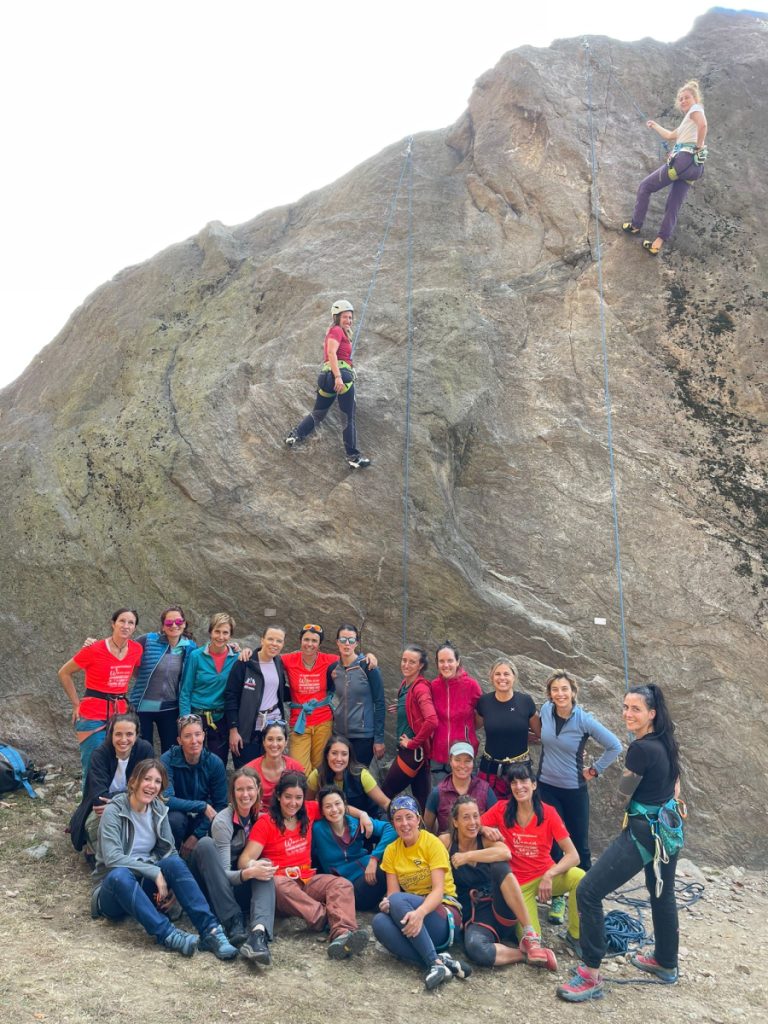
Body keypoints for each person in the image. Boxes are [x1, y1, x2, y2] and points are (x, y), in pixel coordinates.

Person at [557, 684, 682, 1002]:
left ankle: (590, 975)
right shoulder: (666, 742)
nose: (628, 713)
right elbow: (675, 786)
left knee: (588, 891)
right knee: (661, 894)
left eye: (635, 709)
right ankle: (666, 963)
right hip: (668, 829)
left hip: (643, 834)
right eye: (625, 707)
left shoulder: (640, 750)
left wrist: (620, 790)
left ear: (651, 714)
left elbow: (620, 799)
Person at [91, 757, 238, 960]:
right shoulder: (115, 811)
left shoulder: (158, 810)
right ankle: (169, 935)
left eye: (157, 782)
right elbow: (112, 858)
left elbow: (169, 853)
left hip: (145, 885)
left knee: (174, 862)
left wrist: (175, 889)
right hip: (114, 891)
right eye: (147, 779)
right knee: (120, 875)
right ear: (133, 782)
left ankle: (211, 931)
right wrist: (155, 872)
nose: (152, 786)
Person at [238, 770, 371, 959]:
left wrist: (363, 814)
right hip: (282, 887)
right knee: (277, 884)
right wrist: (255, 865)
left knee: (341, 884)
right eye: (288, 797)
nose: (293, 803)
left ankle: (343, 934)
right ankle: (325, 919)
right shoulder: (266, 823)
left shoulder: (308, 810)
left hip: (307, 879)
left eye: (298, 797)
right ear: (278, 796)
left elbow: (337, 807)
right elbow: (244, 860)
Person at [439, 794, 557, 970]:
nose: (472, 822)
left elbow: (505, 853)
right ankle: (525, 955)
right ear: (455, 822)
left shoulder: (486, 839)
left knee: (500, 867)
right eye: (466, 817)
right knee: (476, 949)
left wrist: (467, 856)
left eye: (476, 816)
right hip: (476, 918)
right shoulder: (446, 842)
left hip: (501, 909)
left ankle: (530, 935)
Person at [481, 763, 584, 959]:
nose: (519, 787)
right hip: (520, 887)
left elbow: (573, 855)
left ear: (534, 785)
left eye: (523, 781)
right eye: (514, 783)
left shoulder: (548, 812)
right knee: (532, 942)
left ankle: (575, 935)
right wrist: (484, 829)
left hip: (546, 875)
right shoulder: (502, 808)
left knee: (581, 878)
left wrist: (550, 873)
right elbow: (475, 824)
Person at [372, 795, 471, 991]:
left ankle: (433, 962)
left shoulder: (432, 843)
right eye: (398, 819)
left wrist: (420, 913)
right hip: (415, 917)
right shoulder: (391, 851)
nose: (405, 824)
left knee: (398, 900)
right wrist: (387, 904)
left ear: (418, 819)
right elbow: (392, 893)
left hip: (443, 912)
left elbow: (438, 890)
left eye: (409, 817)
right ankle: (438, 961)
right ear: (392, 823)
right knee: (379, 921)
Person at [535, 670, 622, 875]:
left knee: (578, 842)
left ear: (573, 692)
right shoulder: (546, 710)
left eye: (565, 689)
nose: (560, 694)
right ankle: (557, 892)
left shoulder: (584, 720)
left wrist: (594, 770)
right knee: (554, 843)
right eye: (555, 690)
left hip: (573, 789)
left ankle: (583, 893)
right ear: (549, 693)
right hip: (546, 787)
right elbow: (543, 736)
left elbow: (615, 746)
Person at [188, 767, 277, 963]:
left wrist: (257, 869)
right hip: (215, 887)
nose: (245, 795)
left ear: (258, 790)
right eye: (239, 790)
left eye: (250, 789)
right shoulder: (223, 822)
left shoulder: (262, 819)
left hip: (239, 885)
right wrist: (247, 873)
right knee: (205, 844)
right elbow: (223, 873)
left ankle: (258, 934)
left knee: (265, 865)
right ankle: (232, 920)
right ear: (232, 793)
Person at [58, 608, 144, 784]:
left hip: (120, 715)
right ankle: (88, 809)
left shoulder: (136, 650)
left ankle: (111, 809)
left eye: (131, 623)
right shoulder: (94, 649)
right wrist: (76, 704)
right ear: (113, 623)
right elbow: (64, 673)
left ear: (135, 628)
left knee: (118, 763)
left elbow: (135, 671)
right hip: (92, 715)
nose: (126, 626)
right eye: (122, 621)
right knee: (93, 765)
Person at [622, 80, 708, 255]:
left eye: (687, 97)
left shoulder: (696, 109)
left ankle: (635, 225)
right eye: (681, 98)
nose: (683, 101)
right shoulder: (687, 121)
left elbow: (703, 125)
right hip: (695, 168)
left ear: (695, 98)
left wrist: (698, 146)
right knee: (673, 204)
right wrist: (655, 126)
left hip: (684, 161)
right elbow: (670, 135)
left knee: (645, 187)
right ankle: (657, 243)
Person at [280, 624, 379, 773]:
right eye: (306, 639)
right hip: (300, 722)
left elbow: (350, 657)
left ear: (320, 644)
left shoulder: (329, 660)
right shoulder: (288, 660)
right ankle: (304, 796)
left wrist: (368, 656)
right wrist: (248, 652)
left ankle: (319, 797)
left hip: (323, 722)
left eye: (314, 641)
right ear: (300, 640)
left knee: (321, 768)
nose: (309, 644)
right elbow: (268, 657)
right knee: (298, 768)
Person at [285, 299, 371, 469]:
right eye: (345, 317)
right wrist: (338, 377)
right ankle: (353, 456)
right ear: (336, 317)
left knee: (318, 414)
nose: (349, 320)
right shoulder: (336, 331)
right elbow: (332, 352)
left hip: (325, 378)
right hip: (341, 376)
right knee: (348, 417)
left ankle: (295, 435)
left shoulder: (339, 332)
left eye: (351, 318)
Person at [70, 711, 154, 856]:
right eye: (118, 734)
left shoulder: (145, 750)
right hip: (105, 810)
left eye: (129, 734)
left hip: (133, 807)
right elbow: (99, 798)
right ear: (111, 734)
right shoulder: (100, 754)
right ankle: (101, 854)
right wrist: (134, 795)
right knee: (105, 817)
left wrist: (119, 799)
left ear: (136, 734)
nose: (123, 739)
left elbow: (150, 789)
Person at [312, 786, 396, 910]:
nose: (334, 810)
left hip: (368, 872)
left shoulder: (355, 822)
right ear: (322, 811)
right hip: (345, 887)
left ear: (345, 805)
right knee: (387, 869)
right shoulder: (317, 830)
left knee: (395, 857)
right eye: (328, 806)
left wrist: (374, 858)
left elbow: (391, 828)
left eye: (337, 804)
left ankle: (391, 901)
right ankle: (388, 903)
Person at [129, 605, 197, 752]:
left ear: (184, 624)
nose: (174, 626)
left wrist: (233, 648)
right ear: (163, 626)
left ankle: (167, 776)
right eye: (169, 623)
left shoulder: (190, 647)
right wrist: (93, 643)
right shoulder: (147, 640)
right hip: (142, 707)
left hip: (171, 708)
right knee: (142, 752)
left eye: (178, 622)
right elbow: (122, 649)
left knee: (171, 752)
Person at [160, 714, 228, 855]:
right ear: (179, 740)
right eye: (187, 736)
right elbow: (166, 800)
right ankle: (172, 857)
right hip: (179, 814)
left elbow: (221, 805)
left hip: (204, 820)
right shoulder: (167, 759)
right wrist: (202, 806)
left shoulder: (215, 763)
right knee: (174, 820)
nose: (194, 741)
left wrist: (197, 835)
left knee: (219, 822)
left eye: (197, 734)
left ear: (203, 736)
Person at [380, 645, 437, 812]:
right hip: (417, 757)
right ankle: (424, 836)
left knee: (385, 794)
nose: (406, 665)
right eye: (404, 660)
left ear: (420, 666)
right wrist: (402, 707)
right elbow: (415, 709)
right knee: (423, 803)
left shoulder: (420, 688)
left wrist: (412, 743)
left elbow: (432, 720)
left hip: (412, 754)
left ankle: (377, 831)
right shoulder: (406, 684)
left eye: (412, 662)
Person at [178, 612, 240, 766]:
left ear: (231, 635)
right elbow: (185, 691)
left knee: (217, 763)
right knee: (192, 761)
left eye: (225, 632)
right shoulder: (196, 656)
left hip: (220, 719)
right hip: (196, 717)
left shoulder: (236, 658)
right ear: (210, 632)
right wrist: (186, 722)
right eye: (217, 631)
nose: (220, 636)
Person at [225, 625, 288, 767]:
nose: (274, 644)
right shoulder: (245, 663)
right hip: (248, 730)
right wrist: (233, 730)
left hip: (273, 725)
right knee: (247, 773)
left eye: (279, 641)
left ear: (283, 644)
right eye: (270, 639)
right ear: (262, 640)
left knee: (272, 772)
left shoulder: (278, 662)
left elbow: (281, 691)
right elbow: (231, 697)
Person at [475, 658, 539, 796]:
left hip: (520, 771)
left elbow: (542, 732)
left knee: (517, 814)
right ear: (491, 677)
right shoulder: (484, 702)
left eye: (506, 674)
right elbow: (473, 726)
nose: (502, 678)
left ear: (514, 677)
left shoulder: (525, 701)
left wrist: (574, 747)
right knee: (489, 813)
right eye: (497, 674)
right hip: (489, 770)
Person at [329, 624, 385, 767]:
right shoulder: (334, 669)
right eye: (343, 639)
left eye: (351, 640)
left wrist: (379, 739)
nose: (347, 644)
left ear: (357, 643)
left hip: (364, 736)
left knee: (358, 778)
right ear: (337, 642)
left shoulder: (368, 667)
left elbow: (379, 703)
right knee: (341, 778)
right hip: (340, 735)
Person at [429, 643, 482, 785]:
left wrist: (467, 729)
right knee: (442, 801)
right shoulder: (433, 686)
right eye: (441, 661)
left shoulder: (471, 685)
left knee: (466, 801)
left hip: (463, 755)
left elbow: (483, 713)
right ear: (437, 663)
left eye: (450, 660)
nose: (446, 665)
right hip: (438, 756)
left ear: (457, 661)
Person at [306, 734, 390, 818]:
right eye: (334, 753)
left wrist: (399, 814)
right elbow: (307, 804)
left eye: (344, 754)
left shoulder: (362, 775)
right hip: (330, 824)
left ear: (349, 757)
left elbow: (386, 803)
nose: (339, 759)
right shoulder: (317, 775)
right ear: (327, 755)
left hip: (364, 823)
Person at [422, 741, 497, 835]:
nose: (462, 765)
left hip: (479, 846)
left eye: (467, 761)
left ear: (473, 763)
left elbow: (496, 825)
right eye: (457, 760)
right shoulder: (437, 793)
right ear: (450, 760)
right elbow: (427, 830)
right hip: (447, 847)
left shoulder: (485, 790)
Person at [243, 720, 305, 807]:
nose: (274, 744)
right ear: (263, 742)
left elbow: (302, 800)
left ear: (286, 742)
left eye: (279, 739)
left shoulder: (296, 768)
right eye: (270, 739)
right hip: (258, 816)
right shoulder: (250, 770)